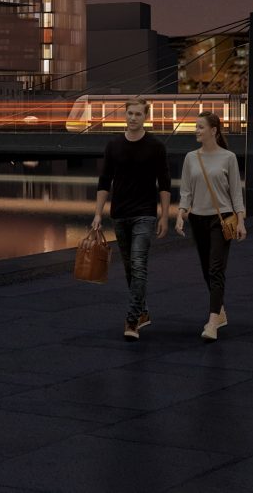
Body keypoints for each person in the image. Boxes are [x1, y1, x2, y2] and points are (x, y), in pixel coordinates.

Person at [90, 97, 173, 340]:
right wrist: (98, 213)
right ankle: (144, 311)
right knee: (129, 268)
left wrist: (164, 217)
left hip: (145, 214)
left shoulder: (156, 146)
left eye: (138, 114)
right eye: (130, 114)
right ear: (124, 115)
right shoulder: (113, 145)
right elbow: (104, 181)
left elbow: (165, 184)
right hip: (120, 214)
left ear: (145, 117)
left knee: (138, 266)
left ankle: (131, 320)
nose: (133, 118)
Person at [177, 109, 247, 341]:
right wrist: (181, 214)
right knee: (207, 269)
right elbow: (186, 191)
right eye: (195, 127)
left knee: (217, 268)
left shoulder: (228, 158)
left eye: (200, 127)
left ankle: (212, 322)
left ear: (213, 130)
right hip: (197, 219)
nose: (196, 131)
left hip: (222, 219)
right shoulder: (190, 158)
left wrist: (241, 221)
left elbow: (236, 193)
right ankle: (221, 313)